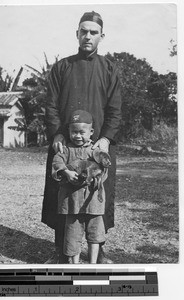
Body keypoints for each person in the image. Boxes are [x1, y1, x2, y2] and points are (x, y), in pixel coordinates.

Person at [41, 10, 122, 263]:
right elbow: (51, 105)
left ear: (101, 36)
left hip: (97, 147)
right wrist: (56, 134)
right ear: (77, 33)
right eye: (83, 31)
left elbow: (115, 110)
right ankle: (61, 251)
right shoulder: (62, 67)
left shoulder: (109, 69)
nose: (88, 36)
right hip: (66, 145)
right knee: (62, 193)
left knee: (97, 194)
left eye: (93, 32)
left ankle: (98, 250)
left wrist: (106, 139)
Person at [52, 110, 110, 264]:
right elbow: (56, 162)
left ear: (91, 132)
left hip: (93, 202)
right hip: (72, 203)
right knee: (72, 234)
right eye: (74, 132)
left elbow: (104, 170)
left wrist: (96, 176)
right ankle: (74, 265)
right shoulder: (66, 150)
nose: (77, 136)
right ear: (69, 132)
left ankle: (93, 263)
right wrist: (66, 173)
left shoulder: (96, 152)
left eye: (82, 132)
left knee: (95, 234)